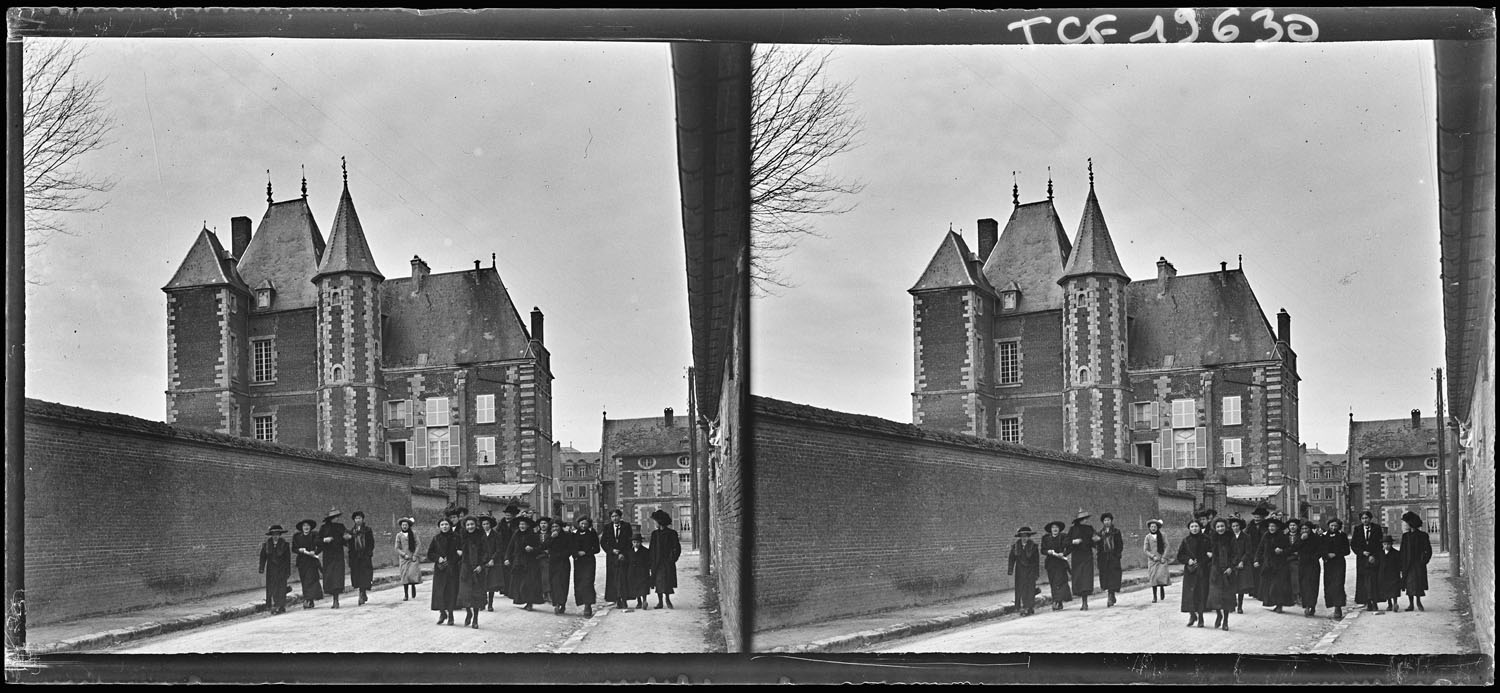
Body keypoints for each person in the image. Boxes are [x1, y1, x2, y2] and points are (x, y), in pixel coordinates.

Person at [1175, 519, 1211, 627]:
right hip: (1190, 571)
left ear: (1200, 527)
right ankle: (1192, 615)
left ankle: (1200, 617)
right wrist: (1188, 560)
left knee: (1200, 593)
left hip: (1202, 570)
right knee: (1189, 594)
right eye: (1192, 527)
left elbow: (1210, 553)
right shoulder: (1186, 540)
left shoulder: (1206, 539)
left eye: (1196, 526)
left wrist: (1203, 560)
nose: (1194, 528)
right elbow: (1180, 555)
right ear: (1189, 528)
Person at [1255, 517, 1295, 613]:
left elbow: (1290, 549)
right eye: (1270, 526)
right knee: (1269, 585)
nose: (1271, 528)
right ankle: (1273, 603)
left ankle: (1279, 605)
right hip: (1268, 564)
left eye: (1273, 526)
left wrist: (1282, 551)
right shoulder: (1266, 536)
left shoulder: (1282, 536)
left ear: (1277, 527)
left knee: (1278, 586)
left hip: (1280, 565)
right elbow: (1260, 548)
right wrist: (1256, 560)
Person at [426, 518, 461, 625]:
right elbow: (430, 553)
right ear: (439, 527)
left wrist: (453, 558)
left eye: (446, 524)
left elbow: (460, 552)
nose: (444, 526)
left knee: (450, 592)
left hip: (452, 569)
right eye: (442, 525)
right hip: (440, 570)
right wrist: (438, 558)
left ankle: (450, 615)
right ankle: (442, 613)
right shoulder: (436, 538)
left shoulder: (456, 537)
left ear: (450, 526)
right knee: (439, 592)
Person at [506, 515, 544, 610]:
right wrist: (507, 558)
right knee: (519, 582)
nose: (522, 526)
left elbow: (540, 548)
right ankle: (522, 600)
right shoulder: (516, 534)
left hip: (530, 563)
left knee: (528, 583)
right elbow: (510, 547)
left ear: (528, 526)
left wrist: (532, 549)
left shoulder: (533, 535)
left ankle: (530, 602)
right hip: (518, 562)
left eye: (524, 524)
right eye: (520, 524)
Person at [457, 516, 489, 628]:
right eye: (468, 525)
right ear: (465, 526)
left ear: (476, 525)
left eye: (472, 524)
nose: (470, 526)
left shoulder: (481, 536)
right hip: (465, 569)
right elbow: (456, 549)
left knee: (476, 595)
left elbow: (486, 552)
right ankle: (468, 612)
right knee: (465, 593)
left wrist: (482, 565)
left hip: (477, 569)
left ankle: (475, 619)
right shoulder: (462, 536)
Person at [648, 509, 683, 610]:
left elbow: (676, 548)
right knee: (658, 581)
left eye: (655, 521)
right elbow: (651, 548)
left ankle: (667, 599)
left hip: (667, 562)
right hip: (657, 562)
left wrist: (672, 559)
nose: (654, 523)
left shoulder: (672, 533)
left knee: (667, 581)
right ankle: (660, 602)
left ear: (660, 522)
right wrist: (651, 562)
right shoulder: (655, 534)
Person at [1399, 511, 1433, 612]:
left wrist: (1424, 561)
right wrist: (1401, 565)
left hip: (1418, 564)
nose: (1405, 525)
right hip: (1407, 564)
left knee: (1418, 584)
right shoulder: (1405, 536)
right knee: (1409, 584)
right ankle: (1410, 604)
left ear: (1411, 523)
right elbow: (1402, 551)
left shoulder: (1423, 535)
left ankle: (1418, 601)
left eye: (1406, 523)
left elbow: (1428, 550)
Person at [1207, 518, 1236, 630]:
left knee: (1227, 597)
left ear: (1226, 526)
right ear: (1215, 528)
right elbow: (1207, 551)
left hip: (1227, 571)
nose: (1220, 529)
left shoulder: (1231, 538)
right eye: (1218, 527)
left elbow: (1235, 554)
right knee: (1215, 596)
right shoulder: (1212, 538)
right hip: (1215, 571)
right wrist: (1209, 554)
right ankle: (1219, 614)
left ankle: (1226, 621)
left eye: (1222, 526)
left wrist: (1231, 567)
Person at [1350, 510, 1383, 610]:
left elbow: (1380, 544)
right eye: (1363, 519)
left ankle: (1375, 601)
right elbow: (1353, 545)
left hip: (1374, 559)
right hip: (1362, 560)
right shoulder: (1358, 529)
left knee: (1374, 580)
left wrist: (1374, 555)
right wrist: (1362, 552)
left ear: (1370, 518)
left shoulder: (1377, 528)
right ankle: (1367, 601)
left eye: (1366, 518)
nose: (1365, 520)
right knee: (1364, 581)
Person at [1066, 509, 1098, 611]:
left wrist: (1096, 540)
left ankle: (1085, 602)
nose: (1086, 521)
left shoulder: (1090, 528)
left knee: (1086, 579)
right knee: (1079, 579)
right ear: (1079, 520)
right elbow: (1066, 542)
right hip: (1077, 558)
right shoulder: (1073, 529)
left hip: (1087, 556)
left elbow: (1095, 540)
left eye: (1086, 519)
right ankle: (1083, 600)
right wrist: (1073, 541)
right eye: (1084, 519)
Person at [601, 509, 633, 609]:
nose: (615, 518)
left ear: (620, 516)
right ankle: (616, 599)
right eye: (613, 517)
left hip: (623, 557)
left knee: (623, 578)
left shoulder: (626, 526)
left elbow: (629, 541)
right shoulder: (607, 527)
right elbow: (603, 543)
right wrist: (611, 551)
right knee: (613, 578)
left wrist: (623, 553)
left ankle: (624, 599)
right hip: (611, 558)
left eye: (616, 516)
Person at [318, 508, 349, 609]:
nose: (337, 519)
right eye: (335, 517)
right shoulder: (324, 528)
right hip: (328, 556)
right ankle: (333, 597)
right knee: (329, 577)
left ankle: (336, 600)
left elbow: (346, 539)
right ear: (330, 518)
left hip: (338, 555)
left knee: (337, 577)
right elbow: (317, 541)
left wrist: (346, 538)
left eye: (337, 517)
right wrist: (324, 540)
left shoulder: (341, 527)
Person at [258, 524, 292, 615]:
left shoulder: (285, 545)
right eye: (273, 534)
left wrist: (288, 571)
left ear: (280, 535)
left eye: (277, 534)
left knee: (281, 588)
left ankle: (281, 606)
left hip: (282, 569)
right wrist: (261, 568)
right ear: (271, 535)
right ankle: (274, 605)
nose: (275, 536)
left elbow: (288, 559)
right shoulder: (266, 545)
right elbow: (263, 557)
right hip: (271, 570)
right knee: (272, 588)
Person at [1007, 526, 1041, 616]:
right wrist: (1010, 569)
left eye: (1026, 536)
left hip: (1031, 570)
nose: (1024, 538)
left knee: (1030, 589)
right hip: (1020, 571)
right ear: (1020, 537)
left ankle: (1028, 607)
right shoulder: (1015, 547)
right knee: (1021, 589)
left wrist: (1037, 573)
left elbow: (1036, 561)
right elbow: (1011, 558)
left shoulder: (1033, 546)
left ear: (1029, 536)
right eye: (1022, 536)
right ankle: (1024, 606)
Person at [543, 519, 575, 614]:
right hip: (553, 562)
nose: (554, 528)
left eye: (556, 526)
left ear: (560, 527)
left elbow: (570, 549)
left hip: (563, 562)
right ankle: (556, 603)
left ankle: (563, 603)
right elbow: (544, 546)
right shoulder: (550, 536)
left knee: (563, 583)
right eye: (553, 527)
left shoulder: (567, 536)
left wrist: (562, 555)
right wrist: (552, 538)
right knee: (554, 582)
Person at [1321, 518, 1350, 620]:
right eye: (1331, 526)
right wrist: (1326, 555)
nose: (1333, 528)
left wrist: (1336, 554)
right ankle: (1332, 604)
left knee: (1338, 584)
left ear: (1339, 527)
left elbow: (1347, 551)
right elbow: (1320, 549)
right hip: (1328, 563)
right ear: (1328, 525)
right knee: (1329, 584)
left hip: (1339, 563)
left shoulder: (1342, 536)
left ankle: (1338, 607)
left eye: (1335, 526)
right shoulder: (1324, 536)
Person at [1040, 521, 1073, 610]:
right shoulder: (1046, 538)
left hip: (1061, 563)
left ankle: (1058, 601)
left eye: (1056, 527)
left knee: (1060, 582)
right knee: (1053, 583)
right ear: (1050, 530)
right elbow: (1042, 550)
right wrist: (1048, 552)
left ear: (1059, 529)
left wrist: (1064, 553)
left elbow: (1070, 547)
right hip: (1051, 563)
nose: (1055, 529)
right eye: (1053, 528)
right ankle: (1056, 600)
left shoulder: (1063, 537)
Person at [1292, 522, 1323, 617]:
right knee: (1304, 585)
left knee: (1312, 585)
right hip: (1302, 565)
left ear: (1310, 529)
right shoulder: (1299, 538)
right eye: (1303, 529)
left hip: (1313, 565)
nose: (1304, 531)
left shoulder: (1316, 538)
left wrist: (1313, 557)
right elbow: (1293, 548)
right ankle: (1306, 605)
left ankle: (1312, 605)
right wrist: (1301, 540)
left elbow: (1320, 551)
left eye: (1306, 529)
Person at [292, 519, 324, 609]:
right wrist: (299, 550)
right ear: (301, 528)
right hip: (302, 562)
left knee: (311, 580)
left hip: (312, 561)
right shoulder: (297, 537)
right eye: (304, 526)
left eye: (308, 526)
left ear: (310, 527)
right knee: (304, 581)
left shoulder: (314, 535)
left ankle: (309, 599)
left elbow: (321, 546)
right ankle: (308, 599)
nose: (306, 527)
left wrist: (315, 552)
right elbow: (293, 548)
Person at [573, 517, 601, 617]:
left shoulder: (592, 534)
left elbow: (597, 549)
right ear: (578, 524)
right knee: (579, 583)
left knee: (588, 583)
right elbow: (571, 547)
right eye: (581, 524)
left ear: (588, 524)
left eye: (585, 524)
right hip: (578, 562)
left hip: (589, 561)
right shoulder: (574, 534)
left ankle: (588, 605)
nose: (583, 526)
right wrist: (576, 553)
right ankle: (583, 602)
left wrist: (586, 552)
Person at [1096, 513, 1124, 607]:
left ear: (1111, 521)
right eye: (1105, 520)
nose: (1107, 522)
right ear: (1103, 522)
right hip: (1104, 558)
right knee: (1106, 578)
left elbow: (1120, 544)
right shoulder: (1100, 533)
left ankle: (1111, 596)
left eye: (1108, 520)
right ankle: (1110, 595)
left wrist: (1117, 555)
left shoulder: (1116, 532)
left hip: (1113, 557)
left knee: (1114, 577)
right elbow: (1098, 547)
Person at [347, 510, 375, 606]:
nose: (358, 520)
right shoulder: (351, 532)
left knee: (365, 575)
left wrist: (368, 553)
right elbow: (349, 545)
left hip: (365, 556)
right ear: (354, 520)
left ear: (362, 519)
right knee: (357, 576)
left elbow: (371, 543)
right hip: (355, 557)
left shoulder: (367, 530)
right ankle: (361, 592)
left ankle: (362, 593)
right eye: (356, 518)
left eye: (359, 518)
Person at [480, 515, 505, 611]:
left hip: (493, 561)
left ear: (490, 525)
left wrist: (493, 559)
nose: (485, 526)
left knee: (491, 584)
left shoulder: (496, 535)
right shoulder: (480, 535)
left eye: (487, 524)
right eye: (483, 524)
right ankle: (482, 602)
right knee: (482, 583)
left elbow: (499, 549)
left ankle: (490, 604)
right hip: (482, 561)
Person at [1143, 519, 1171, 604]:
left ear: (1157, 527)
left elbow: (1167, 546)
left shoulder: (1162, 535)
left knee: (1161, 576)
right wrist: (1152, 556)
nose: (1153, 528)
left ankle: (1162, 588)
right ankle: (1154, 596)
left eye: (1155, 526)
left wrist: (1164, 557)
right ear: (1149, 528)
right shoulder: (1147, 537)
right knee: (1153, 578)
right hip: (1153, 561)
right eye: (1151, 527)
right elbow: (1145, 549)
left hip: (1161, 559)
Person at [1229, 518, 1254, 614]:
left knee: (1241, 586)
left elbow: (1248, 551)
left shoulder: (1246, 537)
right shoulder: (1230, 537)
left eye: (1237, 526)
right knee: (1231, 585)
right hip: (1232, 563)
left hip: (1243, 564)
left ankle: (1240, 606)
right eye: (1233, 526)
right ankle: (1232, 604)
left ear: (1240, 526)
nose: (1235, 528)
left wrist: (1242, 561)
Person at [395, 517, 422, 602]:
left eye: (406, 525)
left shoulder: (413, 533)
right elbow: (397, 548)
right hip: (404, 559)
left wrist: (415, 555)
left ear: (409, 525)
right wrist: (403, 554)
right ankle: (406, 594)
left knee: (412, 574)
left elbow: (418, 544)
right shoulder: (399, 535)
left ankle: (413, 586)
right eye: (403, 525)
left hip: (413, 557)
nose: (404, 526)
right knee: (405, 576)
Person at [624, 534, 653, 611]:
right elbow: (627, 561)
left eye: (637, 542)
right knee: (635, 586)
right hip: (632, 572)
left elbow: (649, 561)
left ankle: (644, 600)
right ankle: (639, 601)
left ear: (641, 542)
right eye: (634, 542)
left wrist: (647, 568)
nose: (636, 544)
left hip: (642, 572)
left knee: (643, 586)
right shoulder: (629, 551)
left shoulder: (645, 551)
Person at [1246, 505, 1269, 600]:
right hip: (1252, 550)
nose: (1256, 517)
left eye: (1259, 516)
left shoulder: (1266, 525)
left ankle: (1261, 592)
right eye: (1255, 515)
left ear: (1263, 517)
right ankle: (1253, 590)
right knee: (1253, 571)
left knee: (1261, 571)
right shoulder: (1250, 525)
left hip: (1263, 551)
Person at [1376, 535, 1403, 613]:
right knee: (1386, 589)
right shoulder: (1380, 553)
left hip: (1393, 574)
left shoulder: (1396, 553)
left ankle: (1395, 603)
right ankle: (1389, 603)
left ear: (1391, 544)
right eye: (1385, 544)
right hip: (1383, 574)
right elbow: (1378, 563)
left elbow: (1399, 564)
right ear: (1382, 545)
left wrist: (1399, 571)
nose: (1386, 546)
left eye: (1388, 544)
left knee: (1394, 589)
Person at [497, 506, 519, 597]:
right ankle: (505, 589)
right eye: (506, 515)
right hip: (503, 548)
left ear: (513, 515)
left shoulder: (517, 524)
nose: (507, 517)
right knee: (504, 569)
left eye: (509, 515)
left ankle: (512, 590)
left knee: (512, 569)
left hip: (513, 549)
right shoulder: (501, 524)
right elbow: (497, 534)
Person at [1285, 518, 1303, 608]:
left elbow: (1301, 548)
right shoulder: (1285, 536)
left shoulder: (1301, 536)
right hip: (1286, 559)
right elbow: (1284, 547)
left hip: (1297, 560)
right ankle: (1290, 597)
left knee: (1296, 578)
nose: (1292, 527)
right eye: (1291, 525)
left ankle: (1298, 595)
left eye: (1294, 525)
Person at [537, 517, 554, 603]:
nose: (543, 525)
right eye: (541, 523)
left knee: (546, 576)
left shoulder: (551, 534)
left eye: (545, 523)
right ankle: (540, 593)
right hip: (537, 557)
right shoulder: (536, 534)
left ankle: (548, 593)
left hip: (548, 558)